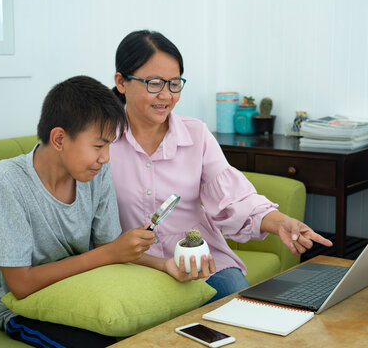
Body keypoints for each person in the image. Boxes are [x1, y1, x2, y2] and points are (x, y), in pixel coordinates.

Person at [110, 30, 333, 303]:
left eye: (175, 83)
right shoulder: (99, 140)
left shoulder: (196, 134)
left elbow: (234, 201)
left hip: (201, 259)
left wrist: (281, 223)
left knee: (241, 306)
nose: (166, 95)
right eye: (154, 83)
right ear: (121, 82)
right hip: (134, 263)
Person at [0, 75, 155, 348]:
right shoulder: (5, 181)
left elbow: (111, 246)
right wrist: (109, 252)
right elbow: (20, 285)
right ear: (59, 138)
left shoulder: (97, 172)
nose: (105, 157)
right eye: (98, 145)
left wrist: (166, 265)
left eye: (108, 146)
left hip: (81, 292)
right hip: (21, 309)